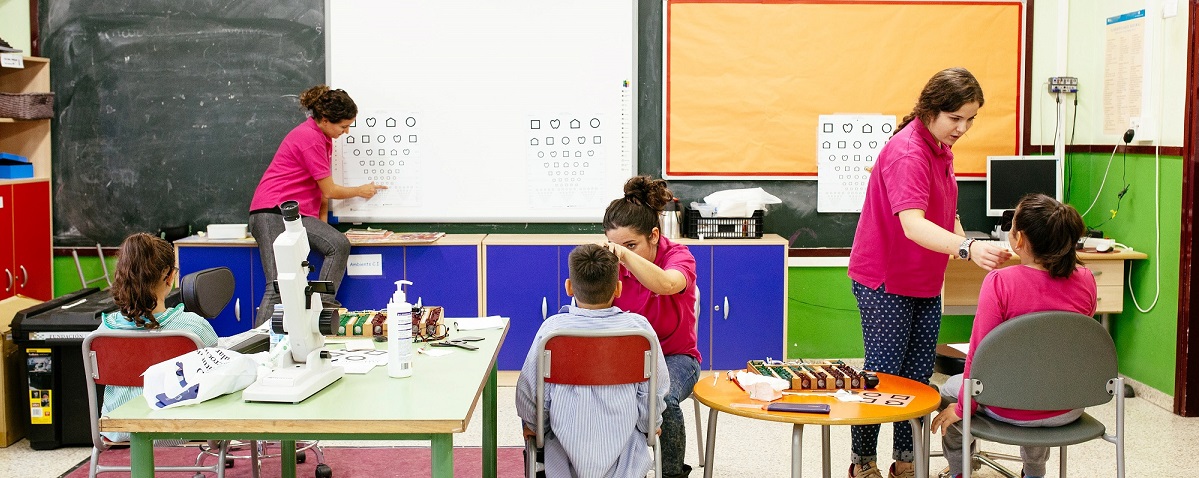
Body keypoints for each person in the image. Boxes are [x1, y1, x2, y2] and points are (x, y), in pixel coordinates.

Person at [846, 67, 1012, 478]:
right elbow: (912, 224)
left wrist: (966, 244)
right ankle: (862, 463)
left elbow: (944, 210)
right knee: (883, 379)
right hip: (885, 279)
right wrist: (968, 246)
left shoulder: (939, 147)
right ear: (931, 110)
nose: (963, 128)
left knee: (918, 379)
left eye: (970, 119)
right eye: (956, 118)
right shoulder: (909, 152)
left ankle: (907, 461)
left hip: (922, 279)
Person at [931, 194, 1096, 478]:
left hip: (1009, 407)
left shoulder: (1000, 282)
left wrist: (961, 409)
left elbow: (979, 354)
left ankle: (960, 471)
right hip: (1066, 405)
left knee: (951, 391)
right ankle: (1033, 472)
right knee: (1040, 382)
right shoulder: (1086, 279)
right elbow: (1068, 347)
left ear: (1019, 240)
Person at [515, 243, 670, 477]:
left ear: (569, 287)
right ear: (618, 289)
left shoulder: (553, 331)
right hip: (626, 463)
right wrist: (650, 424)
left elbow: (529, 394)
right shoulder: (640, 331)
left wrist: (538, 428)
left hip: (562, 462)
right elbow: (654, 392)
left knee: (532, 421)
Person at [248, 85, 386, 326]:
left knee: (336, 243)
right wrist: (361, 191)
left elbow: (322, 193)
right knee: (278, 286)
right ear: (324, 120)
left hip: (292, 215)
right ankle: (259, 351)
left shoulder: (323, 138)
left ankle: (320, 307)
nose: (347, 131)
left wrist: (323, 228)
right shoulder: (310, 138)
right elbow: (330, 190)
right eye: (343, 126)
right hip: (272, 212)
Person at [602, 175, 699, 478]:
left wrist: (624, 256)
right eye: (615, 246)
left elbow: (668, 284)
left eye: (631, 245)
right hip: (625, 355)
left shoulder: (678, 256)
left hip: (676, 356)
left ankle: (671, 473)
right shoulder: (613, 263)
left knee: (663, 399)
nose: (621, 255)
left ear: (654, 235)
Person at [95, 233, 219, 443]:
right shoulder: (191, 328)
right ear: (169, 276)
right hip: (178, 432)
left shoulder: (103, 332)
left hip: (120, 430)